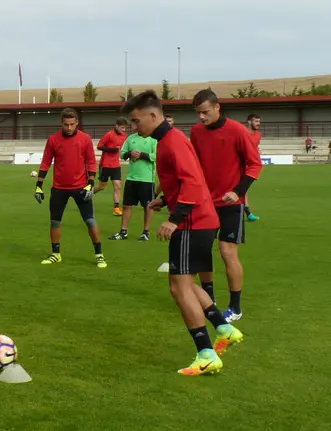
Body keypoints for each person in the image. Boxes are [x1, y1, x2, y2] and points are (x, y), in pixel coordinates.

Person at [125, 90, 243, 376]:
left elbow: (191, 182)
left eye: (136, 120)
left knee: (178, 287)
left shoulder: (172, 142)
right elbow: (191, 179)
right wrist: (165, 199)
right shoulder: (172, 140)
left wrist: (174, 219)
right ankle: (224, 328)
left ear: (154, 116)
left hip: (193, 223)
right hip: (202, 221)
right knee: (188, 284)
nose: (134, 127)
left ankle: (205, 354)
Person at [190, 89, 263, 322]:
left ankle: (235, 307)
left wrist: (237, 192)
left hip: (231, 203)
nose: (201, 117)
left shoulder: (238, 131)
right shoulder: (196, 132)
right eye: (198, 113)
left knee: (226, 251)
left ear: (217, 107)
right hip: (204, 203)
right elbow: (195, 166)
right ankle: (208, 300)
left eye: (205, 112)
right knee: (201, 252)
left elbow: (254, 165)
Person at [35, 108, 106, 268]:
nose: (69, 128)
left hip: (81, 187)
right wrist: (39, 185)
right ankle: (56, 254)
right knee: (55, 222)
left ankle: (99, 255)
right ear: (61, 123)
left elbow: (91, 162)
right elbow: (46, 162)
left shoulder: (85, 139)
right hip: (59, 188)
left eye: (72, 124)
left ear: (77, 124)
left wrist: (91, 183)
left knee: (90, 220)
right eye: (66, 124)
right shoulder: (53, 140)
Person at [108, 122, 158, 241]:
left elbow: (157, 155)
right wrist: (130, 153)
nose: (135, 126)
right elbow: (122, 154)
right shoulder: (130, 138)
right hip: (131, 178)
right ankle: (123, 231)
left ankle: (146, 232)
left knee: (148, 206)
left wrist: (142, 155)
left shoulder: (153, 139)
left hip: (147, 179)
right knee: (126, 205)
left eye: (138, 124)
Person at [93, 117, 129, 216]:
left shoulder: (125, 136)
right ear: (116, 126)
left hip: (116, 165)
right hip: (105, 165)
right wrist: (111, 150)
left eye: (125, 128)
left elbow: (124, 148)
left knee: (118, 186)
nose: (124, 130)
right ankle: (87, 194)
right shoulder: (109, 135)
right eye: (122, 127)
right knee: (101, 186)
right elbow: (99, 146)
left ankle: (116, 208)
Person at [244, 114, 262, 222]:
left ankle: (247, 213)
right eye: (256, 121)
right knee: (242, 190)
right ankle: (248, 214)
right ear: (249, 122)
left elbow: (254, 147)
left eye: (259, 121)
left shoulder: (258, 135)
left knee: (243, 190)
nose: (258, 123)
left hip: (251, 166)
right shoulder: (243, 133)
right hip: (240, 165)